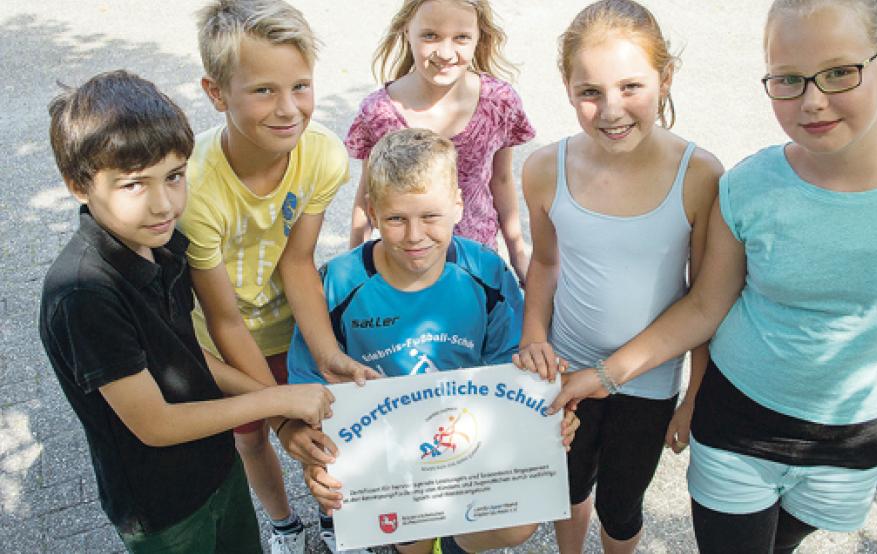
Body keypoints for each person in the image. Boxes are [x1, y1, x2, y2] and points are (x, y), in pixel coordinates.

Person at [550, 1, 877, 552]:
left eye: (839, 72)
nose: (813, 100)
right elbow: (705, 305)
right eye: (788, 79)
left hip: (856, 436)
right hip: (738, 424)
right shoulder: (747, 186)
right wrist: (605, 376)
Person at [39, 70, 334, 554]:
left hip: (219, 470)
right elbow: (155, 424)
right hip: (162, 509)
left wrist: (280, 403)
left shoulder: (163, 247)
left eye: (175, 176)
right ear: (78, 185)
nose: (163, 205)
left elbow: (184, 353)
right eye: (134, 185)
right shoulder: (83, 294)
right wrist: (273, 402)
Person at [289, 128, 577, 554]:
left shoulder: (486, 273)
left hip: (469, 441)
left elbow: (510, 369)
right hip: (386, 453)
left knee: (520, 524)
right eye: (396, 219)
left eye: (430, 216)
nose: (414, 236)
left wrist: (543, 419)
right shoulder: (339, 284)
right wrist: (307, 445)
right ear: (371, 211)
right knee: (410, 540)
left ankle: (451, 542)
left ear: (459, 205)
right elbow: (306, 379)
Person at [511, 1, 723, 552]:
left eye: (632, 86)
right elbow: (546, 263)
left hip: (648, 384)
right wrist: (534, 335)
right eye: (591, 91)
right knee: (567, 487)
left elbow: (703, 300)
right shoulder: (543, 169)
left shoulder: (699, 175)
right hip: (565, 367)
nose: (611, 110)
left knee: (621, 508)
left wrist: (695, 393)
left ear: (665, 78)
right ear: (566, 85)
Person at [181, 1, 373, 552]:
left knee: (327, 424)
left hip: (294, 325)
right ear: (216, 93)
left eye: (301, 86)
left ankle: (336, 517)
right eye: (263, 90)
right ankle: (283, 524)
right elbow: (224, 320)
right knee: (253, 440)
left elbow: (296, 262)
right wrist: (279, 415)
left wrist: (327, 353)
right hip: (224, 339)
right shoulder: (195, 190)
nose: (289, 109)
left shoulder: (322, 157)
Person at [345, 0, 535, 283]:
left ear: (479, 36)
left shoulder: (499, 102)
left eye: (461, 37)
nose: (446, 53)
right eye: (430, 35)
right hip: (403, 266)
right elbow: (367, 194)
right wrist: (355, 267)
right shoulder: (379, 112)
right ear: (406, 31)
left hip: (475, 267)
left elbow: (502, 180)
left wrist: (518, 254)